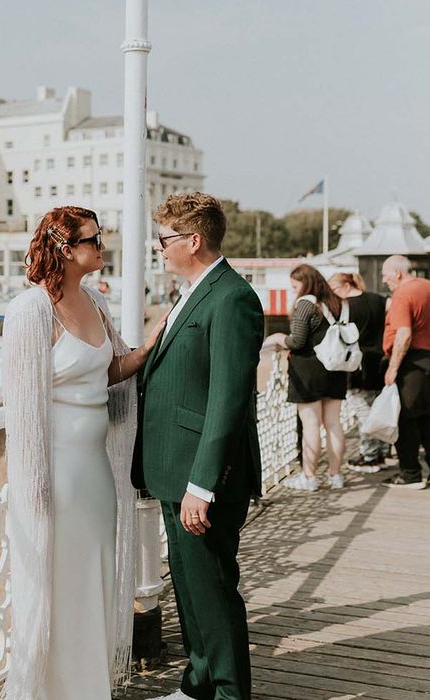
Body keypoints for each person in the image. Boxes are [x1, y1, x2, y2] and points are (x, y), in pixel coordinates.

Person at [1, 206, 167, 700]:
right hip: (54, 475)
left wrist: (153, 341)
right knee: (59, 587)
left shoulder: (95, 302)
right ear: (65, 249)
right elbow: (22, 407)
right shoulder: (30, 310)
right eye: (94, 239)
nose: (103, 245)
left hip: (96, 473)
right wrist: (34, 496)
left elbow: (111, 370)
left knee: (95, 581)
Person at [133, 193, 264, 700]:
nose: (159, 248)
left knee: (211, 591)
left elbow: (228, 400)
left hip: (201, 476)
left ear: (193, 240)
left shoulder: (232, 297)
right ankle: (198, 684)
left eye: (165, 239)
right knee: (188, 588)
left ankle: (230, 692)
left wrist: (202, 485)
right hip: (172, 468)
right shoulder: (191, 292)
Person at [266, 265, 348, 491]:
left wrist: (279, 337)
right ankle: (336, 475)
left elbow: (297, 341)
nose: (293, 291)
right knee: (333, 423)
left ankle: (310, 477)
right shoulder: (337, 302)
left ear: (306, 283)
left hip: (308, 370)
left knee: (311, 425)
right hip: (335, 368)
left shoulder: (305, 304)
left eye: (295, 286)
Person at [380, 255, 430, 488]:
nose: (384, 280)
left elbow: (404, 334)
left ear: (397, 273)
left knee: (405, 416)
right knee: (426, 414)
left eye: (385, 275)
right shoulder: (429, 287)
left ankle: (410, 473)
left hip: (412, 361)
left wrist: (393, 368)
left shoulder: (403, 294)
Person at [328, 272, 388, 471]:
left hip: (358, 365)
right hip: (380, 361)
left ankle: (369, 455)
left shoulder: (346, 308)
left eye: (334, 290)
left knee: (364, 411)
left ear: (345, 286)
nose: (333, 295)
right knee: (378, 408)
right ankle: (381, 451)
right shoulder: (379, 300)